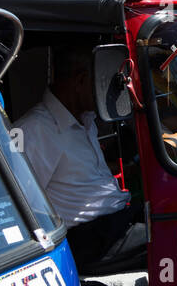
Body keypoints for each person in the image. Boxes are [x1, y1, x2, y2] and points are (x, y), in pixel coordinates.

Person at [15, 46, 133, 262]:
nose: (105, 91)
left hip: (116, 222)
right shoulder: (33, 130)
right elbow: (22, 205)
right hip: (90, 239)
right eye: (99, 84)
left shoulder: (86, 120)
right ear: (80, 81)